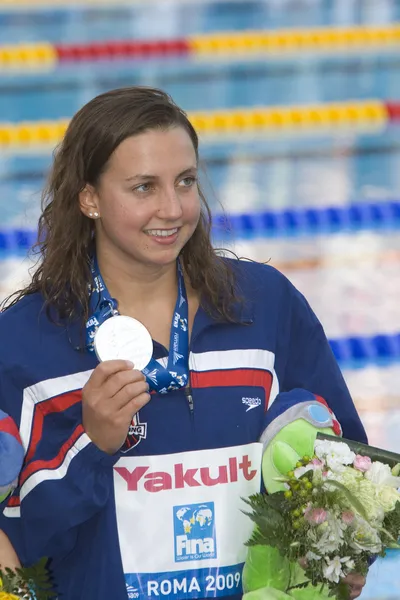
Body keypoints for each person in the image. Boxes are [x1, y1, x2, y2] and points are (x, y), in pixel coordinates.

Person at [0, 86, 368, 600]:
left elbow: (349, 461)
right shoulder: (25, 343)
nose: (172, 209)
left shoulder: (264, 307)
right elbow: (19, 543)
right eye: (144, 187)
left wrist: (344, 548)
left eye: (186, 181)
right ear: (89, 198)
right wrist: (89, 444)